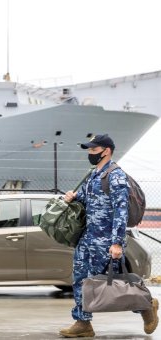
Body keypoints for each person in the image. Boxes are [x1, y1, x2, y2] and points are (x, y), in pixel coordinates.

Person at [62, 134, 158, 338]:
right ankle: (82, 322)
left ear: (107, 151)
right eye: (89, 150)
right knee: (80, 278)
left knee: (118, 283)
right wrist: (74, 196)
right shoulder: (93, 174)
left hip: (106, 241)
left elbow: (121, 211)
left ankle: (147, 307)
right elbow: (89, 199)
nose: (90, 153)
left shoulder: (116, 175)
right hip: (88, 237)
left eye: (94, 150)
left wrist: (116, 243)